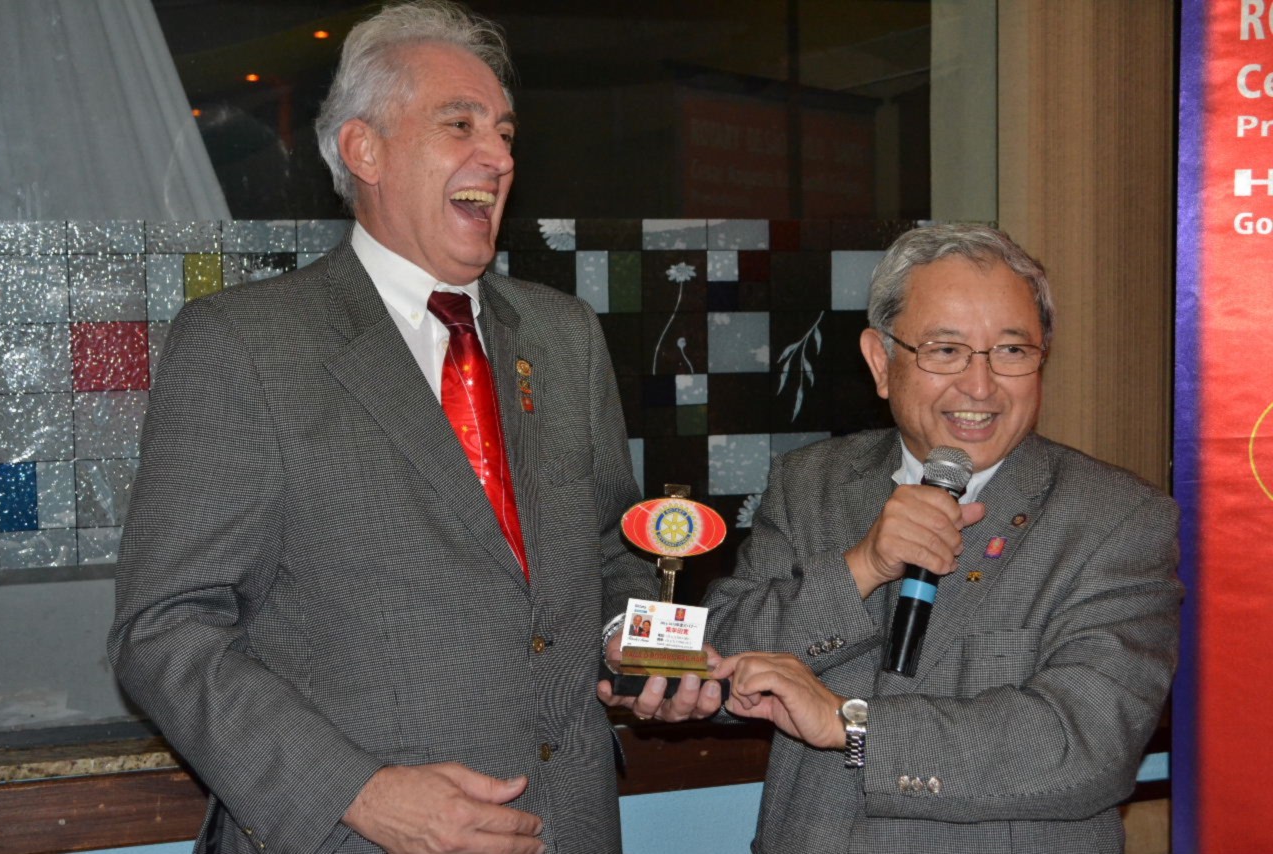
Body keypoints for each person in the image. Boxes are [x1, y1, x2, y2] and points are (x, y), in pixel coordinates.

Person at [108, 3, 716, 853]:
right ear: (364, 150)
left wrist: (641, 646)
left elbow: (612, 552)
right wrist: (357, 794)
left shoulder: (563, 336)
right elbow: (164, 630)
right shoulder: (246, 344)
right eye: (459, 125)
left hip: (571, 825)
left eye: (505, 132)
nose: (499, 156)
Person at [705, 224, 1182, 853]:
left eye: (1012, 350)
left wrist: (852, 726)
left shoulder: (1118, 518)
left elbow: (1087, 744)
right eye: (946, 350)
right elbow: (717, 666)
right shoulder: (812, 484)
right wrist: (861, 566)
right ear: (881, 362)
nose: (980, 386)